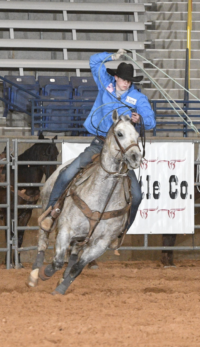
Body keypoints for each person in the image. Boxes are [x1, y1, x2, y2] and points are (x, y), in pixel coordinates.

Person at [38, 49, 155, 233]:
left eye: (129, 81)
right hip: (99, 144)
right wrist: (112, 56)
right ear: (116, 77)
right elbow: (94, 61)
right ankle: (50, 213)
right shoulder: (105, 85)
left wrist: (140, 118)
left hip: (121, 153)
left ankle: (122, 230)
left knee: (137, 195)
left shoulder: (138, 98)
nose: (126, 83)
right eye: (124, 79)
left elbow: (151, 122)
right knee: (68, 174)